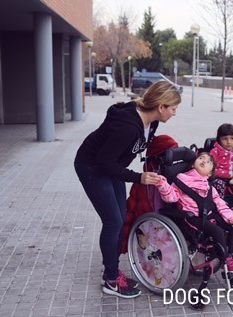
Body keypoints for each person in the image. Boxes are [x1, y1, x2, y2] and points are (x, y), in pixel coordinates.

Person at [74, 81, 181, 298]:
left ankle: (111, 269)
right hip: (92, 167)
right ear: (161, 106)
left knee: (121, 217)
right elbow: (104, 162)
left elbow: (143, 147)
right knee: (113, 220)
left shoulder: (151, 123)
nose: (174, 113)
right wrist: (138, 177)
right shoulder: (127, 126)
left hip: (112, 166)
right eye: (173, 108)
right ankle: (111, 279)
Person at [155, 152, 233, 273]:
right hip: (192, 217)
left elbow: (219, 203)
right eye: (201, 158)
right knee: (217, 230)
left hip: (208, 215)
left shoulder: (208, 186)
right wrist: (162, 183)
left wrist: (230, 217)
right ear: (193, 165)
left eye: (209, 161)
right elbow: (171, 197)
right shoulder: (182, 179)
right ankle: (225, 260)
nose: (204, 161)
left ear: (210, 173)